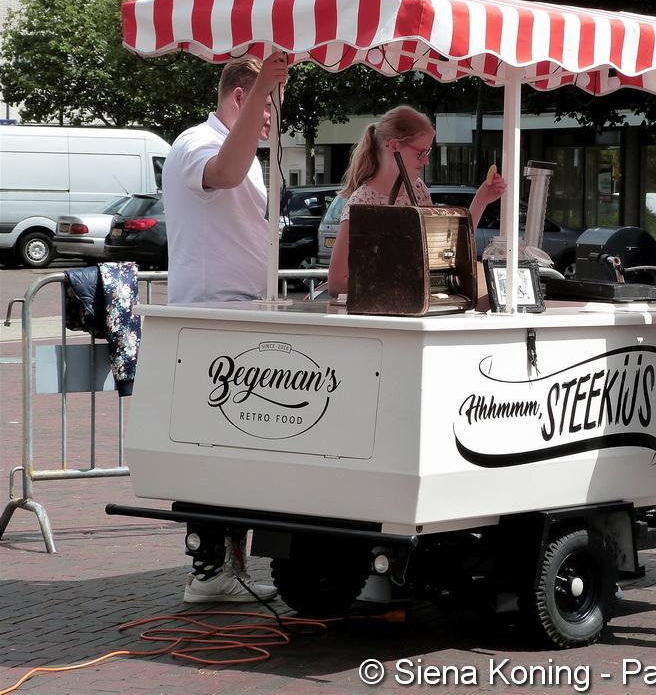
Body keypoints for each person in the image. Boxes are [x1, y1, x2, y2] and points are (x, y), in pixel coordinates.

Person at [162, 52, 288, 603]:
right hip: (212, 319)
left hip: (238, 315)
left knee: (239, 447)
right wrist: (265, 86)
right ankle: (210, 566)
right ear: (241, 96)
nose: (270, 121)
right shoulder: (195, 142)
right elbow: (226, 174)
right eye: (267, 109)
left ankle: (223, 566)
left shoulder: (241, 151)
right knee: (215, 448)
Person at [327, 106, 505, 297]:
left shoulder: (418, 189)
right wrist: (402, 285)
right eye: (421, 153)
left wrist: (480, 201)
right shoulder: (361, 202)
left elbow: (445, 251)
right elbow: (336, 283)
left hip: (416, 306)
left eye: (427, 152)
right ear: (393, 146)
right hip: (385, 311)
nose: (426, 161)